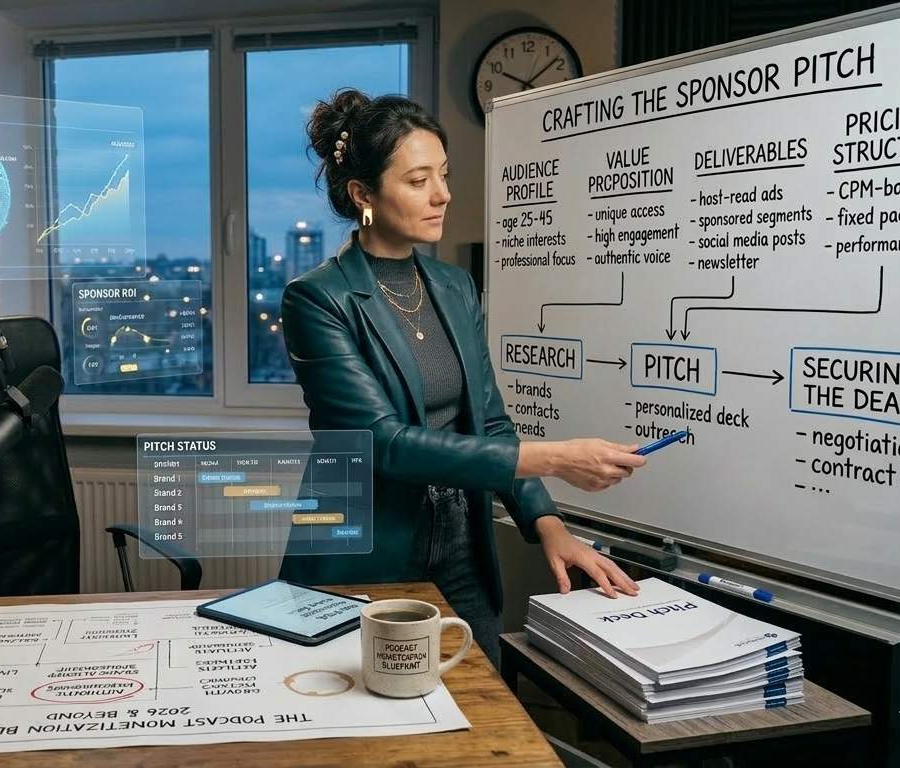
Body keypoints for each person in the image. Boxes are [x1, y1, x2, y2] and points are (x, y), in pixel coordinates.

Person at [277, 89, 646, 667]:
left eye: (444, 175)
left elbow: (491, 420)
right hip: (367, 548)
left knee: (481, 708)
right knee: (375, 731)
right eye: (419, 180)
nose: (443, 195)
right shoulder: (316, 299)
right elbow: (384, 443)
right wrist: (555, 457)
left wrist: (547, 522)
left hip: (463, 544)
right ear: (363, 195)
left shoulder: (455, 287)